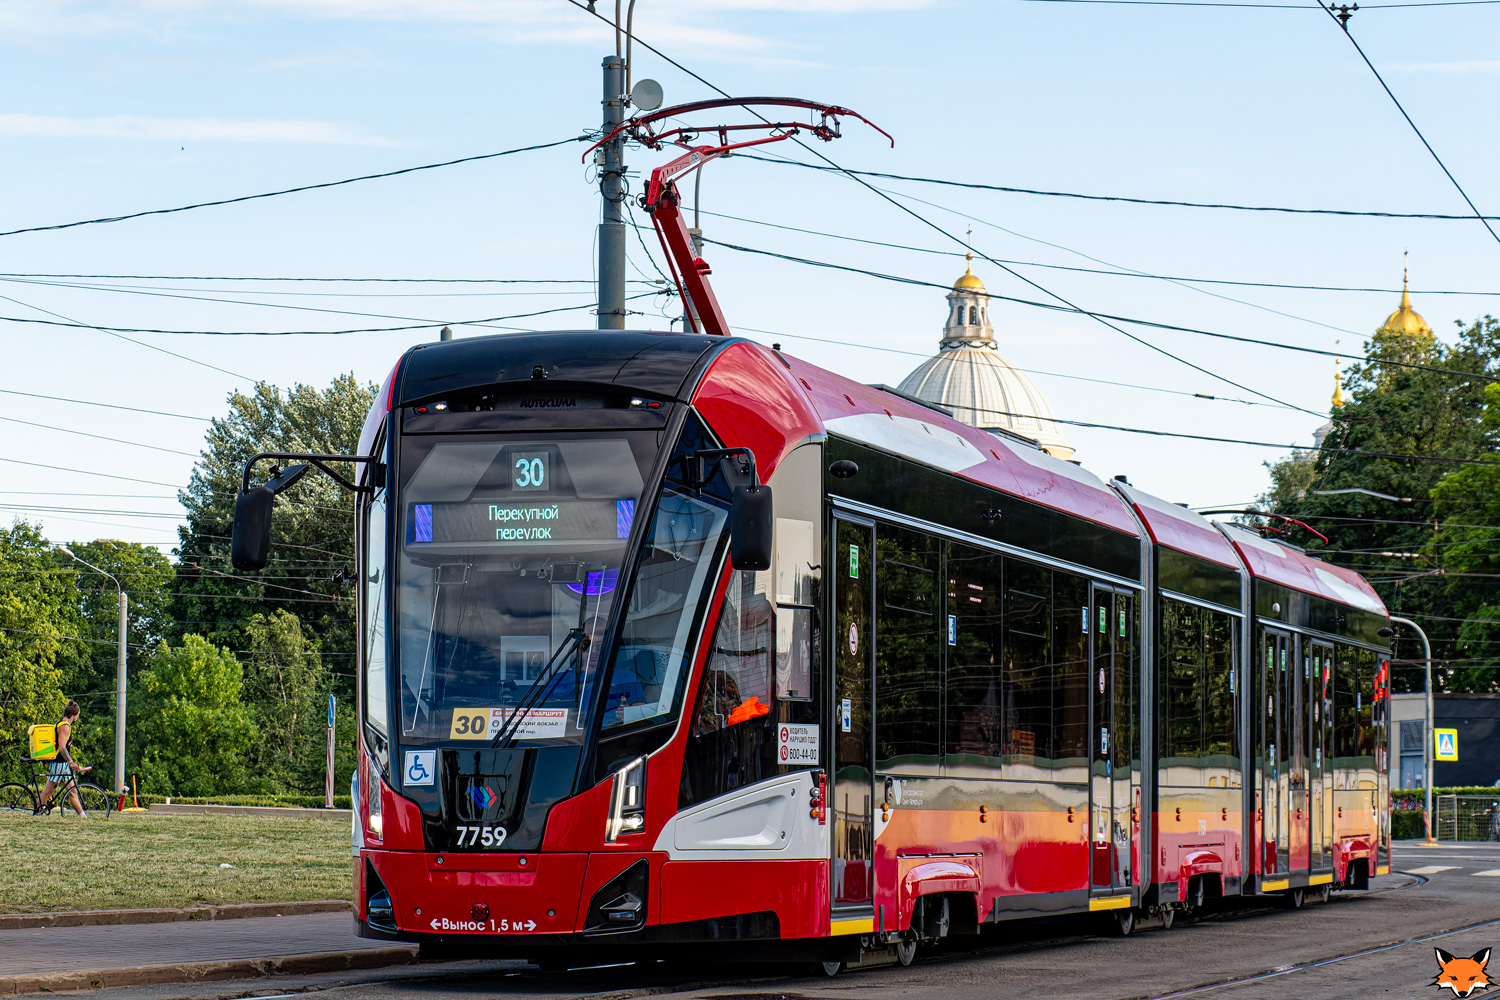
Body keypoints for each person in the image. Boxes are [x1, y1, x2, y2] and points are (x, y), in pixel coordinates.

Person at [36, 701, 90, 817]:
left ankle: (82, 816)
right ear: (75, 715)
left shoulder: (64, 725)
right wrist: (71, 762)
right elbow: (62, 747)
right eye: (78, 714)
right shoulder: (64, 726)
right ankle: (38, 811)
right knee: (50, 791)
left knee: (72, 791)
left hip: (62, 764)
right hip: (60, 764)